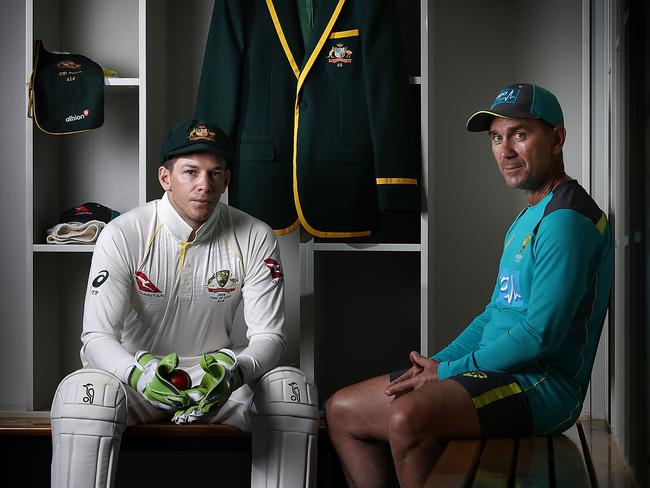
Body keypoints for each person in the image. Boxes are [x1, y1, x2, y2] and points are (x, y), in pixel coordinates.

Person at [325, 83, 614, 487]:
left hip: (542, 387)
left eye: (520, 134)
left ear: (557, 138)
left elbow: (540, 337)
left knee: (408, 417)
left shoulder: (568, 220)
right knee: (342, 410)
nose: (505, 150)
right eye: (497, 137)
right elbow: (495, 313)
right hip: (496, 371)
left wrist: (449, 372)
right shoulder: (529, 216)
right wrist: (432, 366)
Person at [50, 119, 319, 488]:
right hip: (137, 380)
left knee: (293, 392)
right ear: (165, 177)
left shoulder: (255, 235)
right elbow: (96, 337)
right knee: (84, 398)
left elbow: (270, 336)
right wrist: (139, 374)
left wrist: (235, 372)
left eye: (215, 174)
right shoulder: (124, 233)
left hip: (216, 382)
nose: (204, 186)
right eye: (190, 172)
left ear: (226, 180)